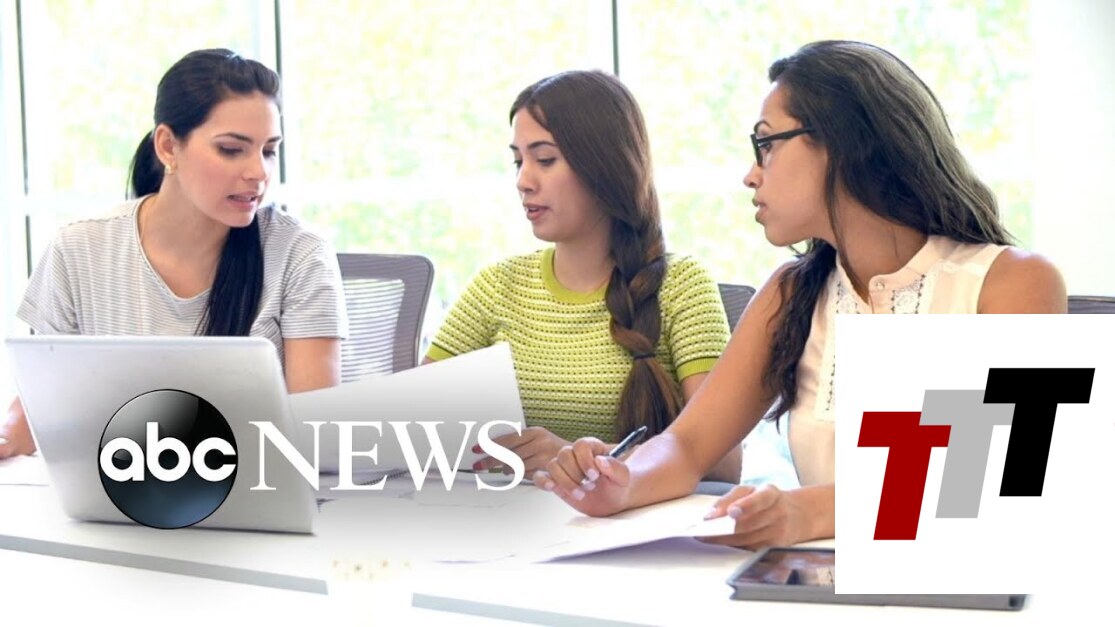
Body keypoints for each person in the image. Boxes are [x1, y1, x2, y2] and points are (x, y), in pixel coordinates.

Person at [534, 40, 1067, 548]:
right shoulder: (791, 293)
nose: (750, 175)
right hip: (811, 582)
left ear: (842, 143)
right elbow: (687, 444)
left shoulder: (1014, 282)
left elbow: (1000, 479)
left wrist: (803, 512)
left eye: (766, 145)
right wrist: (620, 481)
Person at [0, 48, 347, 459]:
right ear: (167, 146)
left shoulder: (300, 255)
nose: (259, 172)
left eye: (269, 150)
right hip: (113, 485)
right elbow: (39, 405)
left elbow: (316, 437)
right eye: (231, 149)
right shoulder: (78, 249)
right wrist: (8, 437)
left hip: (252, 487)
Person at [424, 70, 738, 480]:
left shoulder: (681, 287)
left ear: (604, 166)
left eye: (545, 160)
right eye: (518, 161)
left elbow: (723, 465)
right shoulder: (496, 286)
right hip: (508, 514)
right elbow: (406, 424)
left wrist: (581, 459)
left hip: (632, 519)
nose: (522, 181)